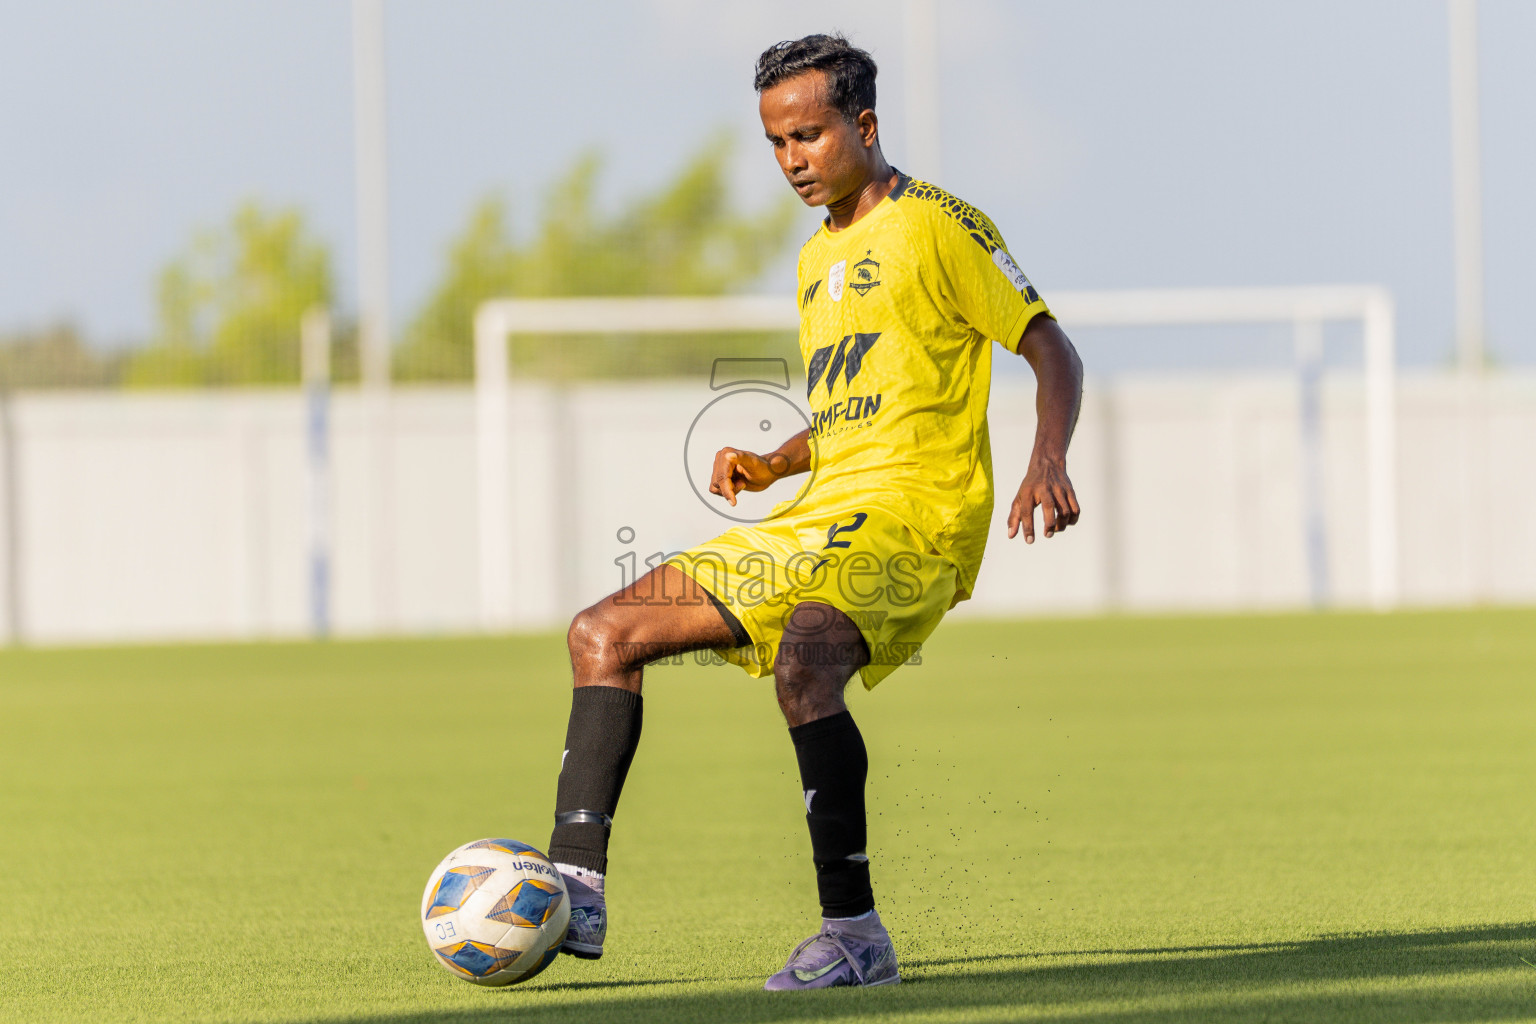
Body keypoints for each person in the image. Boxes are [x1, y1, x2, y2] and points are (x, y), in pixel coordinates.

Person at [544, 32, 1083, 990]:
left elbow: (1050, 348)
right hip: (821, 514)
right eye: (776, 142)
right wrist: (776, 459)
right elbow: (858, 407)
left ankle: (855, 934)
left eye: (809, 135)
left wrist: (1048, 458)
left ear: (863, 125)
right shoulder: (812, 262)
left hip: (918, 519)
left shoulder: (939, 226)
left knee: (807, 659)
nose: (793, 159)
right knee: (602, 632)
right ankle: (570, 891)